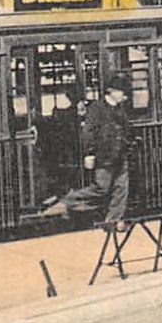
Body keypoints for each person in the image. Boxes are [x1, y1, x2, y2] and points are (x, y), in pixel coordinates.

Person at [50, 74, 133, 224]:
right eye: (122, 92)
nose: (125, 96)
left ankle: (112, 221)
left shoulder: (120, 110)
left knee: (121, 190)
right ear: (111, 91)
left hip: (120, 156)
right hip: (104, 157)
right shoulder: (97, 108)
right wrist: (89, 153)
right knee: (101, 188)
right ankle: (67, 202)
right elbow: (88, 132)